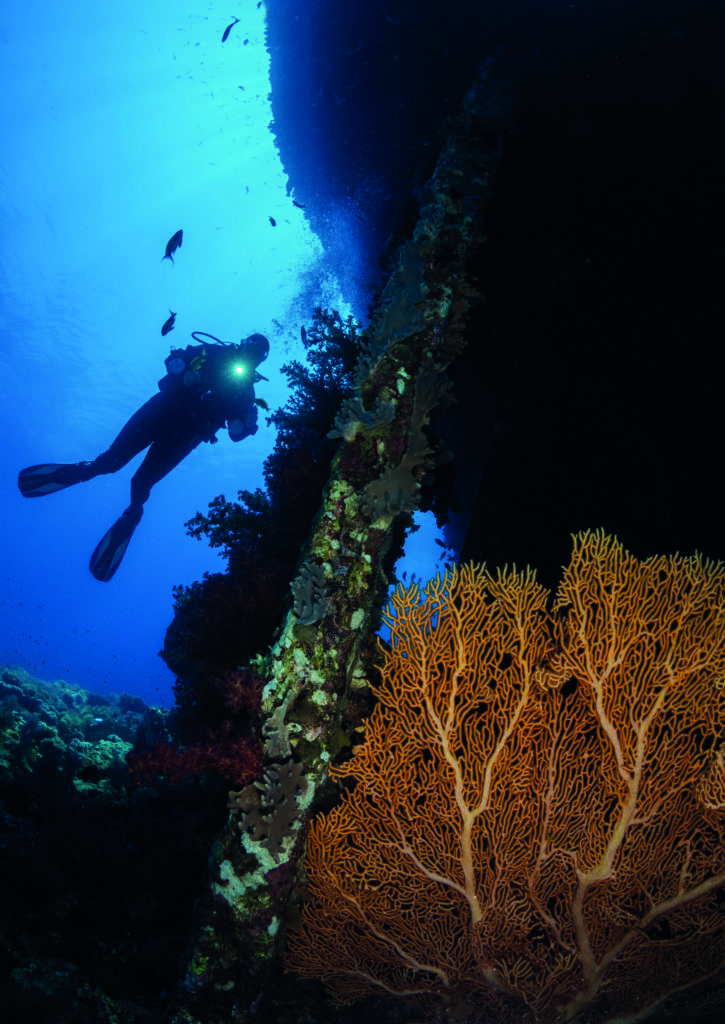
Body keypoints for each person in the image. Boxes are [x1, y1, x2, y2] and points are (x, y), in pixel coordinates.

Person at [18, 332, 270, 582]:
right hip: (161, 411)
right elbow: (174, 360)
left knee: (140, 483)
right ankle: (82, 471)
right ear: (243, 344)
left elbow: (236, 434)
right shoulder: (212, 353)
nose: (250, 356)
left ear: (259, 361)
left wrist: (247, 425)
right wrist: (184, 373)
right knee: (109, 462)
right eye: (251, 349)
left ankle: (132, 515)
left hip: (184, 436)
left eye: (257, 355)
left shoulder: (246, 394)